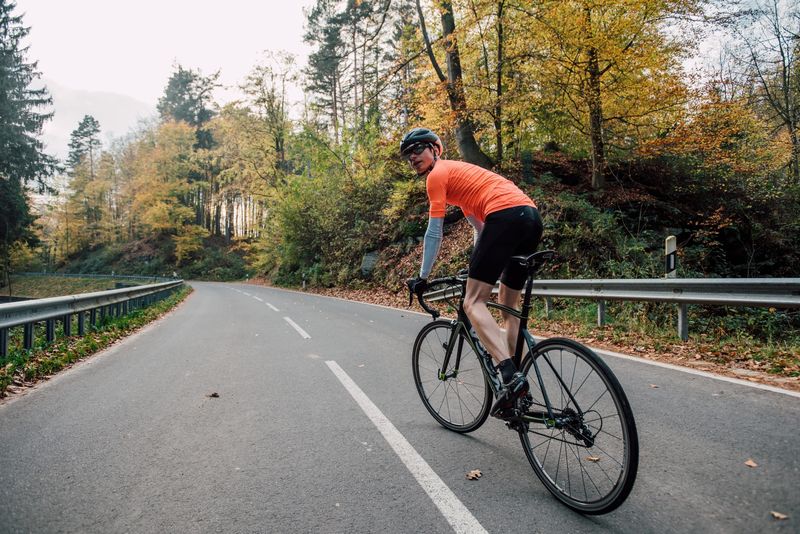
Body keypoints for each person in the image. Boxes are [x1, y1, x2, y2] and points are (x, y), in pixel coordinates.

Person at [402, 127, 543, 417]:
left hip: (505, 214)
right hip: (529, 216)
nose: (412, 157)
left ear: (435, 150)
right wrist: (477, 263)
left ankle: (508, 374)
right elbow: (480, 230)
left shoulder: (437, 176)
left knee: (472, 301)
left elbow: (434, 232)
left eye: (418, 149)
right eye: (408, 154)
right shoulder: (462, 182)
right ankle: (519, 382)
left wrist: (423, 276)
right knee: (508, 305)